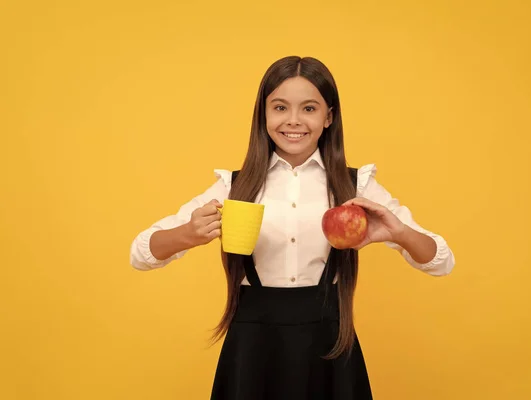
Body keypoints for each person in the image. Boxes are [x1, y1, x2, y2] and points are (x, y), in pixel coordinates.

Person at [130, 56, 455, 399]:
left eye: (309, 108)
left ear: (328, 117)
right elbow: (140, 252)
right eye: (280, 107)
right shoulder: (234, 187)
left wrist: (398, 232)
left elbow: (441, 261)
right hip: (252, 350)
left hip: (329, 347)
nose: (294, 121)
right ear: (264, 115)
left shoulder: (356, 186)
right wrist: (188, 235)